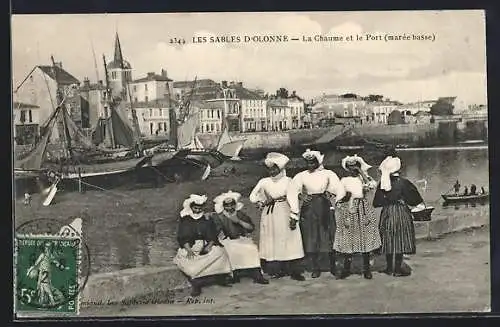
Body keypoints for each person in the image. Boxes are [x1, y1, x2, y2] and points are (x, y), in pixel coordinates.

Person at [287, 149, 346, 278]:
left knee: (328, 234)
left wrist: (332, 196)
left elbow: (340, 189)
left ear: (318, 161)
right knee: (311, 236)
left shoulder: (328, 173)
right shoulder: (301, 175)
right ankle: (315, 267)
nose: (310, 165)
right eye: (307, 163)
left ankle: (332, 265)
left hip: (324, 204)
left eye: (312, 162)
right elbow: (291, 190)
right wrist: (300, 196)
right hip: (309, 208)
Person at [249, 152, 305, 281]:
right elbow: (253, 196)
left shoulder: (288, 181)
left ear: (280, 169)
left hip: (284, 211)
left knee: (289, 239)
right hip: (269, 214)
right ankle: (276, 269)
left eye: (275, 168)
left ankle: (294, 270)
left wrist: (294, 216)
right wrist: (260, 201)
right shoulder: (264, 181)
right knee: (273, 239)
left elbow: (293, 199)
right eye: (270, 169)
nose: (272, 171)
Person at [373, 156, 425, 277]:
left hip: (387, 212)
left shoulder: (383, 183)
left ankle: (389, 268)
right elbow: (415, 200)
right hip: (401, 212)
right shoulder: (404, 183)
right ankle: (397, 269)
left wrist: (388, 200)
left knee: (388, 239)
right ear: (399, 170)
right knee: (400, 240)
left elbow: (376, 203)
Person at [173, 194, 233, 296]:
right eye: (195, 208)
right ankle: (196, 283)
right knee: (189, 261)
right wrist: (189, 250)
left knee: (220, 252)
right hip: (190, 246)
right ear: (191, 208)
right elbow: (182, 237)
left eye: (200, 208)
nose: (197, 210)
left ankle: (220, 277)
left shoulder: (206, 219)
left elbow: (213, 235)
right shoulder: (186, 220)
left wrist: (209, 245)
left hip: (205, 245)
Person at [334, 155, 381, 280]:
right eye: (350, 167)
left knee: (364, 237)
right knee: (349, 237)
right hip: (348, 208)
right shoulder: (344, 180)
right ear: (347, 168)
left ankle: (366, 269)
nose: (353, 169)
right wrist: (344, 198)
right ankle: (346, 268)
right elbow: (338, 195)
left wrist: (362, 173)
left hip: (363, 208)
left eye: (355, 167)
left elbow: (372, 186)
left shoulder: (364, 179)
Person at [211, 190, 269, 285]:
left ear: (235, 205)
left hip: (241, 238)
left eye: (232, 205)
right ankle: (233, 275)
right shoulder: (220, 216)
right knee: (230, 250)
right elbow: (216, 231)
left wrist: (238, 221)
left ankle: (257, 274)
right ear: (223, 206)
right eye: (227, 205)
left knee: (252, 249)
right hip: (227, 239)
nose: (230, 207)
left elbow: (251, 227)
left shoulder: (239, 214)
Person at [26, 242, 66, 306]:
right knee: (41, 286)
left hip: (48, 273)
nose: (48, 249)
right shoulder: (42, 255)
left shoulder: (50, 255)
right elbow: (36, 263)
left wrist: (60, 266)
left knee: (46, 286)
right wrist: (30, 271)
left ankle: (44, 301)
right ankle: (46, 301)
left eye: (49, 247)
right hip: (42, 273)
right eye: (46, 247)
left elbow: (55, 262)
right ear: (44, 248)